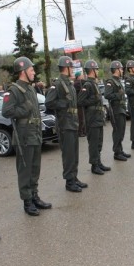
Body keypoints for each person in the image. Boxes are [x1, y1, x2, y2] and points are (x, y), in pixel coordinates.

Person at [2, 57, 51, 215]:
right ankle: (27, 201)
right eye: (32, 70)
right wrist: (25, 108)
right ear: (23, 72)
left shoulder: (30, 89)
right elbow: (6, 112)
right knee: (25, 170)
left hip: (34, 133)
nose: (34, 72)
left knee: (35, 168)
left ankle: (35, 196)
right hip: (23, 135)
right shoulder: (14, 90)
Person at [45, 56, 88, 192]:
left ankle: (74, 177)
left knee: (74, 153)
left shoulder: (69, 83)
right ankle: (69, 181)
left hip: (72, 123)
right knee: (68, 154)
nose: (73, 71)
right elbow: (49, 102)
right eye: (71, 68)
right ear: (67, 68)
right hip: (65, 124)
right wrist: (63, 104)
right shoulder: (57, 84)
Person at [77, 59, 111, 175]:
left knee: (99, 142)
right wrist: (94, 99)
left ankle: (98, 162)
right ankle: (94, 165)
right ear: (92, 70)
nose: (97, 71)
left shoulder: (94, 84)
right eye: (96, 69)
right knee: (93, 143)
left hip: (98, 118)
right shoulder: (87, 84)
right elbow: (80, 101)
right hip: (92, 119)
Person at [104, 60, 131, 161]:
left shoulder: (118, 80)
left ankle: (120, 150)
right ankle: (116, 152)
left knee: (122, 131)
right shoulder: (110, 82)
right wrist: (118, 95)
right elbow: (107, 95)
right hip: (116, 110)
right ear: (116, 70)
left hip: (121, 109)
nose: (122, 70)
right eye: (121, 69)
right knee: (117, 131)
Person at [74, 71, 87, 137]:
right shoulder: (77, 83)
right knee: (81, 118)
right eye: (81, 75)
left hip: (81, 103)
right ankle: (80, 132)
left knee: (83, 118)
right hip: (78, 103)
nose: (82, 76)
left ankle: (84, 131)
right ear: (78, 76)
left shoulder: (80, 82)